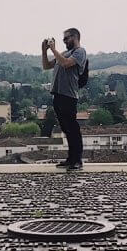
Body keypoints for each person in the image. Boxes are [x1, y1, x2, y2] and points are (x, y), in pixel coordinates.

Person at [42, 28, 88, 170]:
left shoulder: (80, 52)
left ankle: (77, 160)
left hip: (69, 96)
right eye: (63, 39)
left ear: (75, 37)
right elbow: (46, 66)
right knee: (66, 129)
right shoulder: (63, 53)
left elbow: (66, 63)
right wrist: (45, 51)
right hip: (58, 95)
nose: (65, 41)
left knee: (73, 129)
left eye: (66, 38)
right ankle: (70, 158)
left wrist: (54, 49)